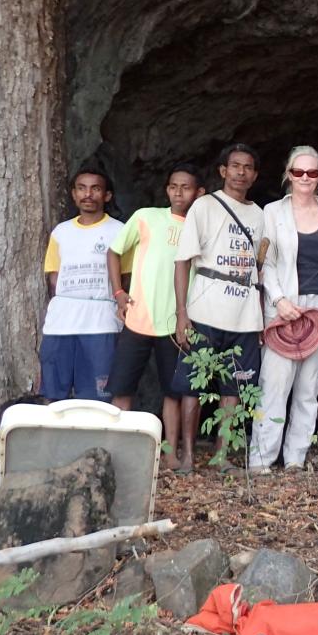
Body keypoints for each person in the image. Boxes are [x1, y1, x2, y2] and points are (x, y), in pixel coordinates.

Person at [249, 146, 318, 472]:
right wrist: (279, 300)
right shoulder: (272, 212)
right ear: (289, 174)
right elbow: (265, 262)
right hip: (285, 304)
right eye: (299, 172)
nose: (305, 178)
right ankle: (261, 459)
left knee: (309, 386)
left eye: (313, 172)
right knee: (274, 383)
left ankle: (295, 458)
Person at [174, 144, 266, 466]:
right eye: (235, 166)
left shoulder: (259, 215)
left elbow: (261, 268)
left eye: (248, 167)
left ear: (255, 175)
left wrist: (263, 319)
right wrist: (182, 314)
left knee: (234, 388)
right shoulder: (205, 206)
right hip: (205, 310)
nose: (241, 172)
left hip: (245, 314)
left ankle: (221, 453)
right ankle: (186, 454)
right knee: (192, 386)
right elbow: (183, 261)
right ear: (223, 171)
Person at [107, 164, 204, 471]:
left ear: (199, 193)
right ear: (166, 189)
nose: (179, 192)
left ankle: (170, 454)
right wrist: (119, 293)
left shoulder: (201, 228)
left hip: (177, 324)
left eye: (186, 187)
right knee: (122, 388)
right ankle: (115, 452)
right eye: (173, 186)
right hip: (138, 317)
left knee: (173, 392)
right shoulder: (146, 216)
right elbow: (114, 251)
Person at [41, 164, 127, 402]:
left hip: (101, 322)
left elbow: (126, 276)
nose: (88, 194)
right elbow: (54, 276)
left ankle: (94, 440)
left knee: (98, 396)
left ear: (107, 195)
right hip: (61, 323)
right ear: (73, 194)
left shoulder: (119, 231)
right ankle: (56, 439)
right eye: (81, 188)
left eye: (95, 189)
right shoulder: (61, 232)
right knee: (53, 391)